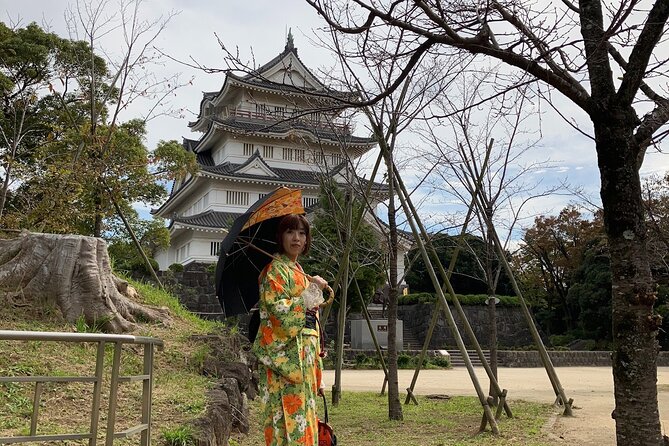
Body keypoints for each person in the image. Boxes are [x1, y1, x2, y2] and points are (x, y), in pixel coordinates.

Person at [252, 214, 328, 446]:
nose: (296, 238)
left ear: (307, 239)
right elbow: (279, 314)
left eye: (302, 233)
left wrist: (317, 370)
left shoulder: (298, 271)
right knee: (285, 421)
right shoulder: (275, 271)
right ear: (280, 236)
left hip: (305, 360)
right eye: (290, 232)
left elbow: (311, 320)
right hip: (285, 362)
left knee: (304, 421)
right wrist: (311, 290)